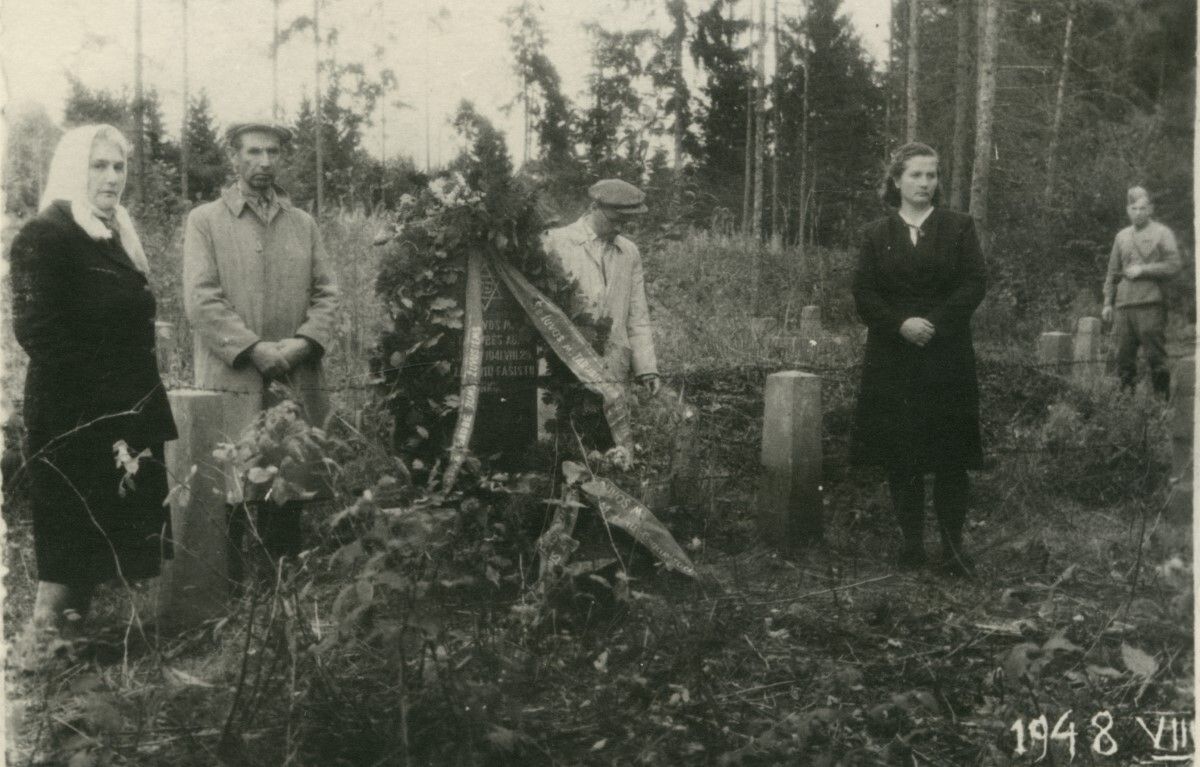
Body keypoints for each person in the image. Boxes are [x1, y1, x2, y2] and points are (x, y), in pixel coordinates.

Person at [9, 124, 178, 637]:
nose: (111, 178)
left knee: (104, 539)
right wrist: (104, 400)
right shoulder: (48, 232)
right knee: (70, 548)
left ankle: (84, 649)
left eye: (118, 166)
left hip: (123, 410)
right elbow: (37, 331)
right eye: (98, 166)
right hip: (74, 418)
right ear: (72, 168)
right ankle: (46, 654)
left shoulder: (116, 230)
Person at [183, 120, 338, 566]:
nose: (264, 162)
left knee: (286, 474)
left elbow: (327, 293)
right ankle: (229, 587)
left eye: (272, 153)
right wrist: (254, 349)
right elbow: (201, 299)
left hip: (294, 373)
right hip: (232, 375)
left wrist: (304, 343)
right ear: (234, 158)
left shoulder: (302, 224)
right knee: (230, 481)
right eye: (253, 152)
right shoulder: (205, 221)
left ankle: (281, 578)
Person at [850, 142, 987, 576]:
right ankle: (911, 546)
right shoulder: (876, 234)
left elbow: (973, 283)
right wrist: (901, 325)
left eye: (932, 175)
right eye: (916, 175)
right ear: (896, 181)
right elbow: (864, 294)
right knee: (902, 454)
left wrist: (933, 323)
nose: (925, 184)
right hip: (894, 358)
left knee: (950, 455)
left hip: (946, 357)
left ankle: (952, 549)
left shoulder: (959, 228)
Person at [541, 179, 661, 395]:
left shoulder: (629, 252)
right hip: (566, 363)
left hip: (614, 365)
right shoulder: (555, 242)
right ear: (594, 207)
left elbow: (637, 315)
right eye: (615, 220)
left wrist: (646, 369)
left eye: (626, 222)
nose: (619, 227)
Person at [1101, 186, 1181, 397]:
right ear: (1128, 210)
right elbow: (1112, 272)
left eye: (1143, 208)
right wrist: (1108, 302)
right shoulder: (1121, 237)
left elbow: (1173, 265)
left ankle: (1161, 408)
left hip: (1150, 304)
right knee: (1124, 360)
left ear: (1151, 209)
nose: (1138, 212)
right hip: (1123, 307)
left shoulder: (1162, 233)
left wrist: (1144, 270)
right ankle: (1127, 412)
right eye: (1134, 208)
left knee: (1156, 358)